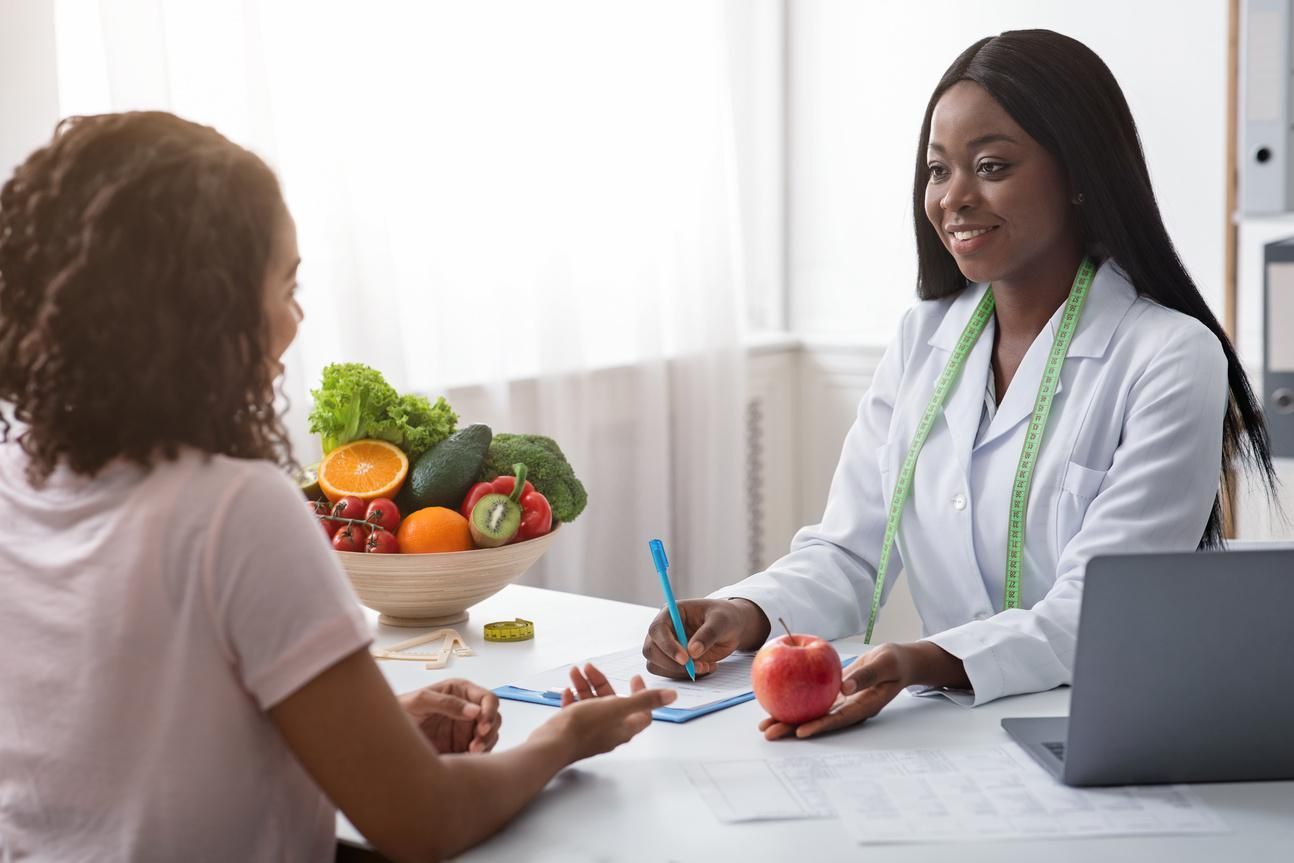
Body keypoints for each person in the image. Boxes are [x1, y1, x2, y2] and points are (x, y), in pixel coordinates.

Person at [0, 111, 675, 863]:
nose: (295, 322)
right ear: (204, 314)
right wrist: (562, 737)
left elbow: (125, 729)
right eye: (285, 287)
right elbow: (425, 822)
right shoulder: (235, 510)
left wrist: (361, 727)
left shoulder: (14, 471)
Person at [642, 29, 1277, 739]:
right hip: (949, 733)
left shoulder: (1170, 356)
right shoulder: (924, 338)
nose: (954, 198)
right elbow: (848, 552)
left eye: (991, 166)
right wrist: (747, 613)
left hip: (1104, 732)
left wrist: (928, 659)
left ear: (1078, 173)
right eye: (939, 170)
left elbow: (1102, 608)